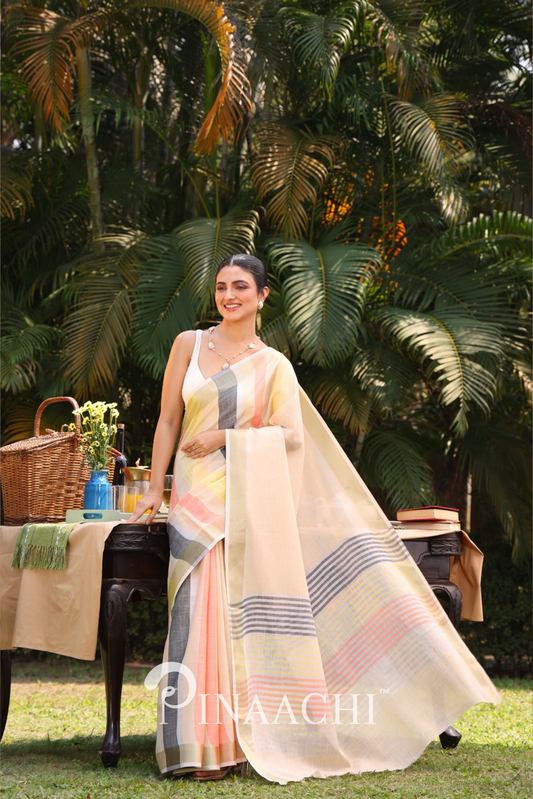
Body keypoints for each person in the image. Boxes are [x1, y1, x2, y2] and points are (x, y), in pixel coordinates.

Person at [130, 253, 501, 785]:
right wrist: (154, 488)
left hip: (244, 499)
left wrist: (223, 437)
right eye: (221, 286)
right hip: (194, 498)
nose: (229, 295)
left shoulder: (273, 366)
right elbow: (168, 420)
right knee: (194, 607)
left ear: (262, 296)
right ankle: (197, 744)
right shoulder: (188, 344)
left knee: (233, 616)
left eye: (241, 287)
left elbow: (290, 436)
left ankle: (231, 744)